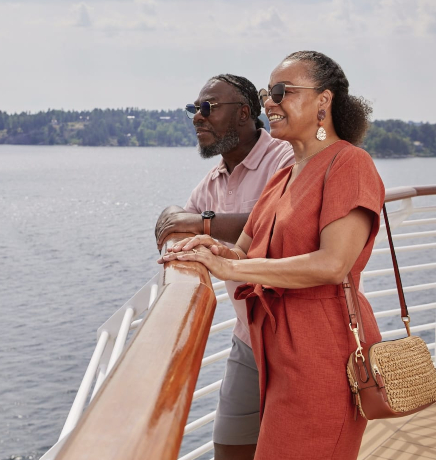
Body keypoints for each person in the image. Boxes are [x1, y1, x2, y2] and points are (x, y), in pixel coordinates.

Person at [160, 51, 384, 459]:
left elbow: (333, 264)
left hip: (321, 353)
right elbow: (243, 251)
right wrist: (209, 248)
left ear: (323, 101)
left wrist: (227, 265)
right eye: (267, 93)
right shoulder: (283, 176)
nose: (269, 103)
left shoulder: (350, 165)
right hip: (273, 348)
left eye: (282, 92)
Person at [155, 74, 293, 460]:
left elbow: (278, 220)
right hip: (249, 335)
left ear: (244, 114)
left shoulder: (283, 156)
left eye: (207, 108)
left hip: (293, 337)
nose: (197, 117)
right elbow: (177, 221)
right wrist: (177, 217)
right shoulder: (213, 180)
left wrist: (200, 223)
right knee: (230, 446)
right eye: (193, 110)